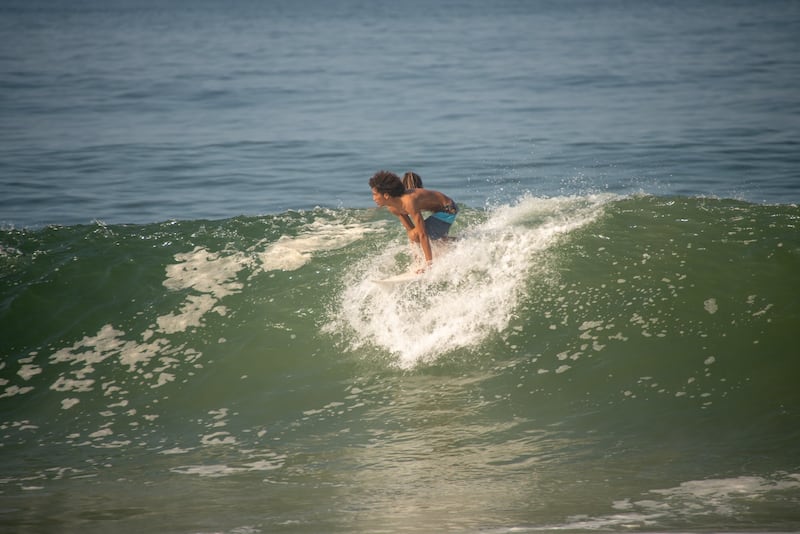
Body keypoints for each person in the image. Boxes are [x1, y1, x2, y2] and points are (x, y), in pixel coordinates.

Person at [369, 170, 458, 267]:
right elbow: (410, 232)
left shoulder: (409, 202)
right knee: (414, 234)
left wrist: (429, 265)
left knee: (419, 234)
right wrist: (417, 261)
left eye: (375, 194)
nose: (373, 198)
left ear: (386, 195)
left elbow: (422, 234)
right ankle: (459, 242)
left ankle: (436, 257)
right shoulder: (393, 208)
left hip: (448, 209)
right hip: (438, 211)